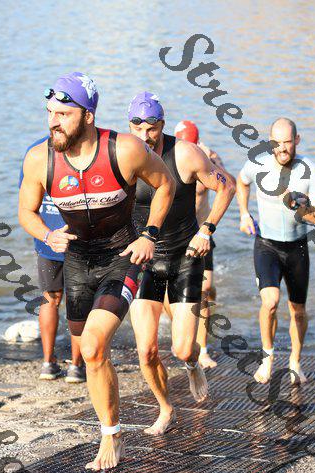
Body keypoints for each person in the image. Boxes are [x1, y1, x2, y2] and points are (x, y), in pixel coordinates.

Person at [19, 73, 175, 470]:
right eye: (50, 113)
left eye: (63, 114)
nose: (53, 122)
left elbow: (166, 184)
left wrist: (150, 235)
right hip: (76, 262)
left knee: (92, 346)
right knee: (89, 355)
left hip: (122, 256)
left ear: (88, 116)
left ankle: (111, 435)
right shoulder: (39, 159)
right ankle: (112, 425)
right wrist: (47, 235)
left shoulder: (125, 149)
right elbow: (26, 211)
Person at [128, 92, 235, 435]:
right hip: (144, 262)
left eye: (152, 128)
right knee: (146, 351)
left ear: (161, 124)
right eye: (137, 128)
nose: (145, 136)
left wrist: (207, 229)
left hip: (184, 259)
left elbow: (228, 186)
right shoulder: (124, 156)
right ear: (129, 126)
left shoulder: (185, 154)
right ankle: (165, 408)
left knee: (183, 348)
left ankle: (192, 363)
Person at [237, 117, 315, 385]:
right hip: (267, 245)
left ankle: (295, 363)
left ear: (297, 140)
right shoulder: (258, 164)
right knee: (270, 302)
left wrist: (296, 206)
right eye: (277, 143)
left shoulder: (310, 170)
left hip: (297, 248)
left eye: (287, 142)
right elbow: (241, 181)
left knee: (298, 310)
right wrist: (244, 213)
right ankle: (267, 358)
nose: (282, 148)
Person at [20, 139, 85, 383]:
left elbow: (27, 203)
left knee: (49, 299)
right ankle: (76, 366)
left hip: (47, 237)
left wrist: (46, 234)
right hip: (78, 239)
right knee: (79, 302)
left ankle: (48, 363)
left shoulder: (35, 152)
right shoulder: (86, 149)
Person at [174, 119, 229, 370]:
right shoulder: (170, 156)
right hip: (176, 236)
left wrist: (213, 161)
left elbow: (227, 185)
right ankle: (181, 334)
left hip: (202, 234)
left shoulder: (206, 158)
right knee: (174, 293)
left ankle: (203, 349)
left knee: (205, 291)